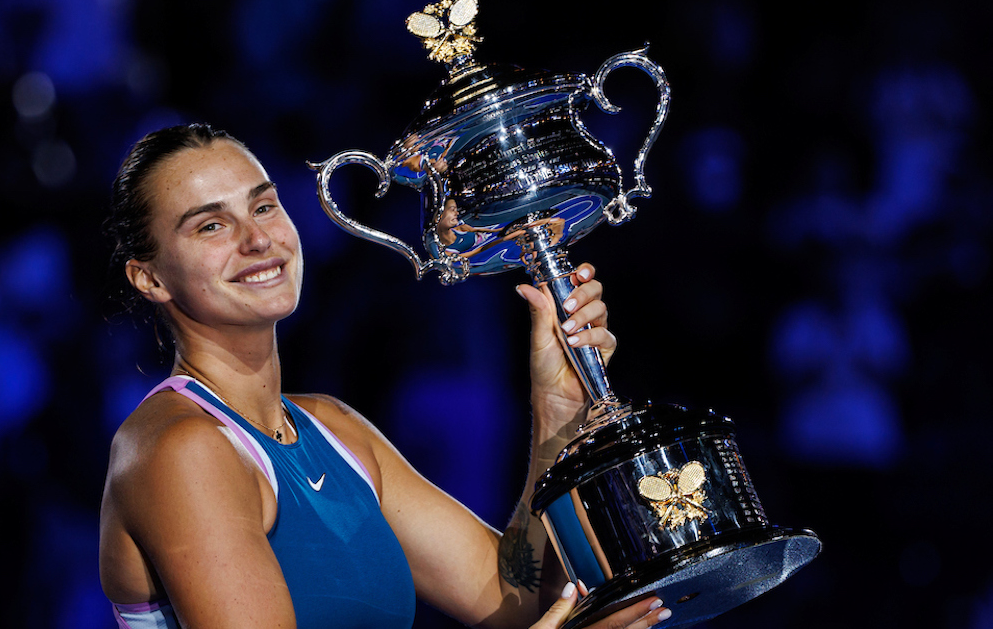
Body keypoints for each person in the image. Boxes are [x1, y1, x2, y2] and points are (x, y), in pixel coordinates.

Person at [97, 123, 671, 629]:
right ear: (149, 279)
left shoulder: (332, 428)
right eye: (210, 227)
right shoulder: (180, 449)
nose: (257, 239)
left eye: (264, 206)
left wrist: (557, 409)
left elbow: (513, 598)